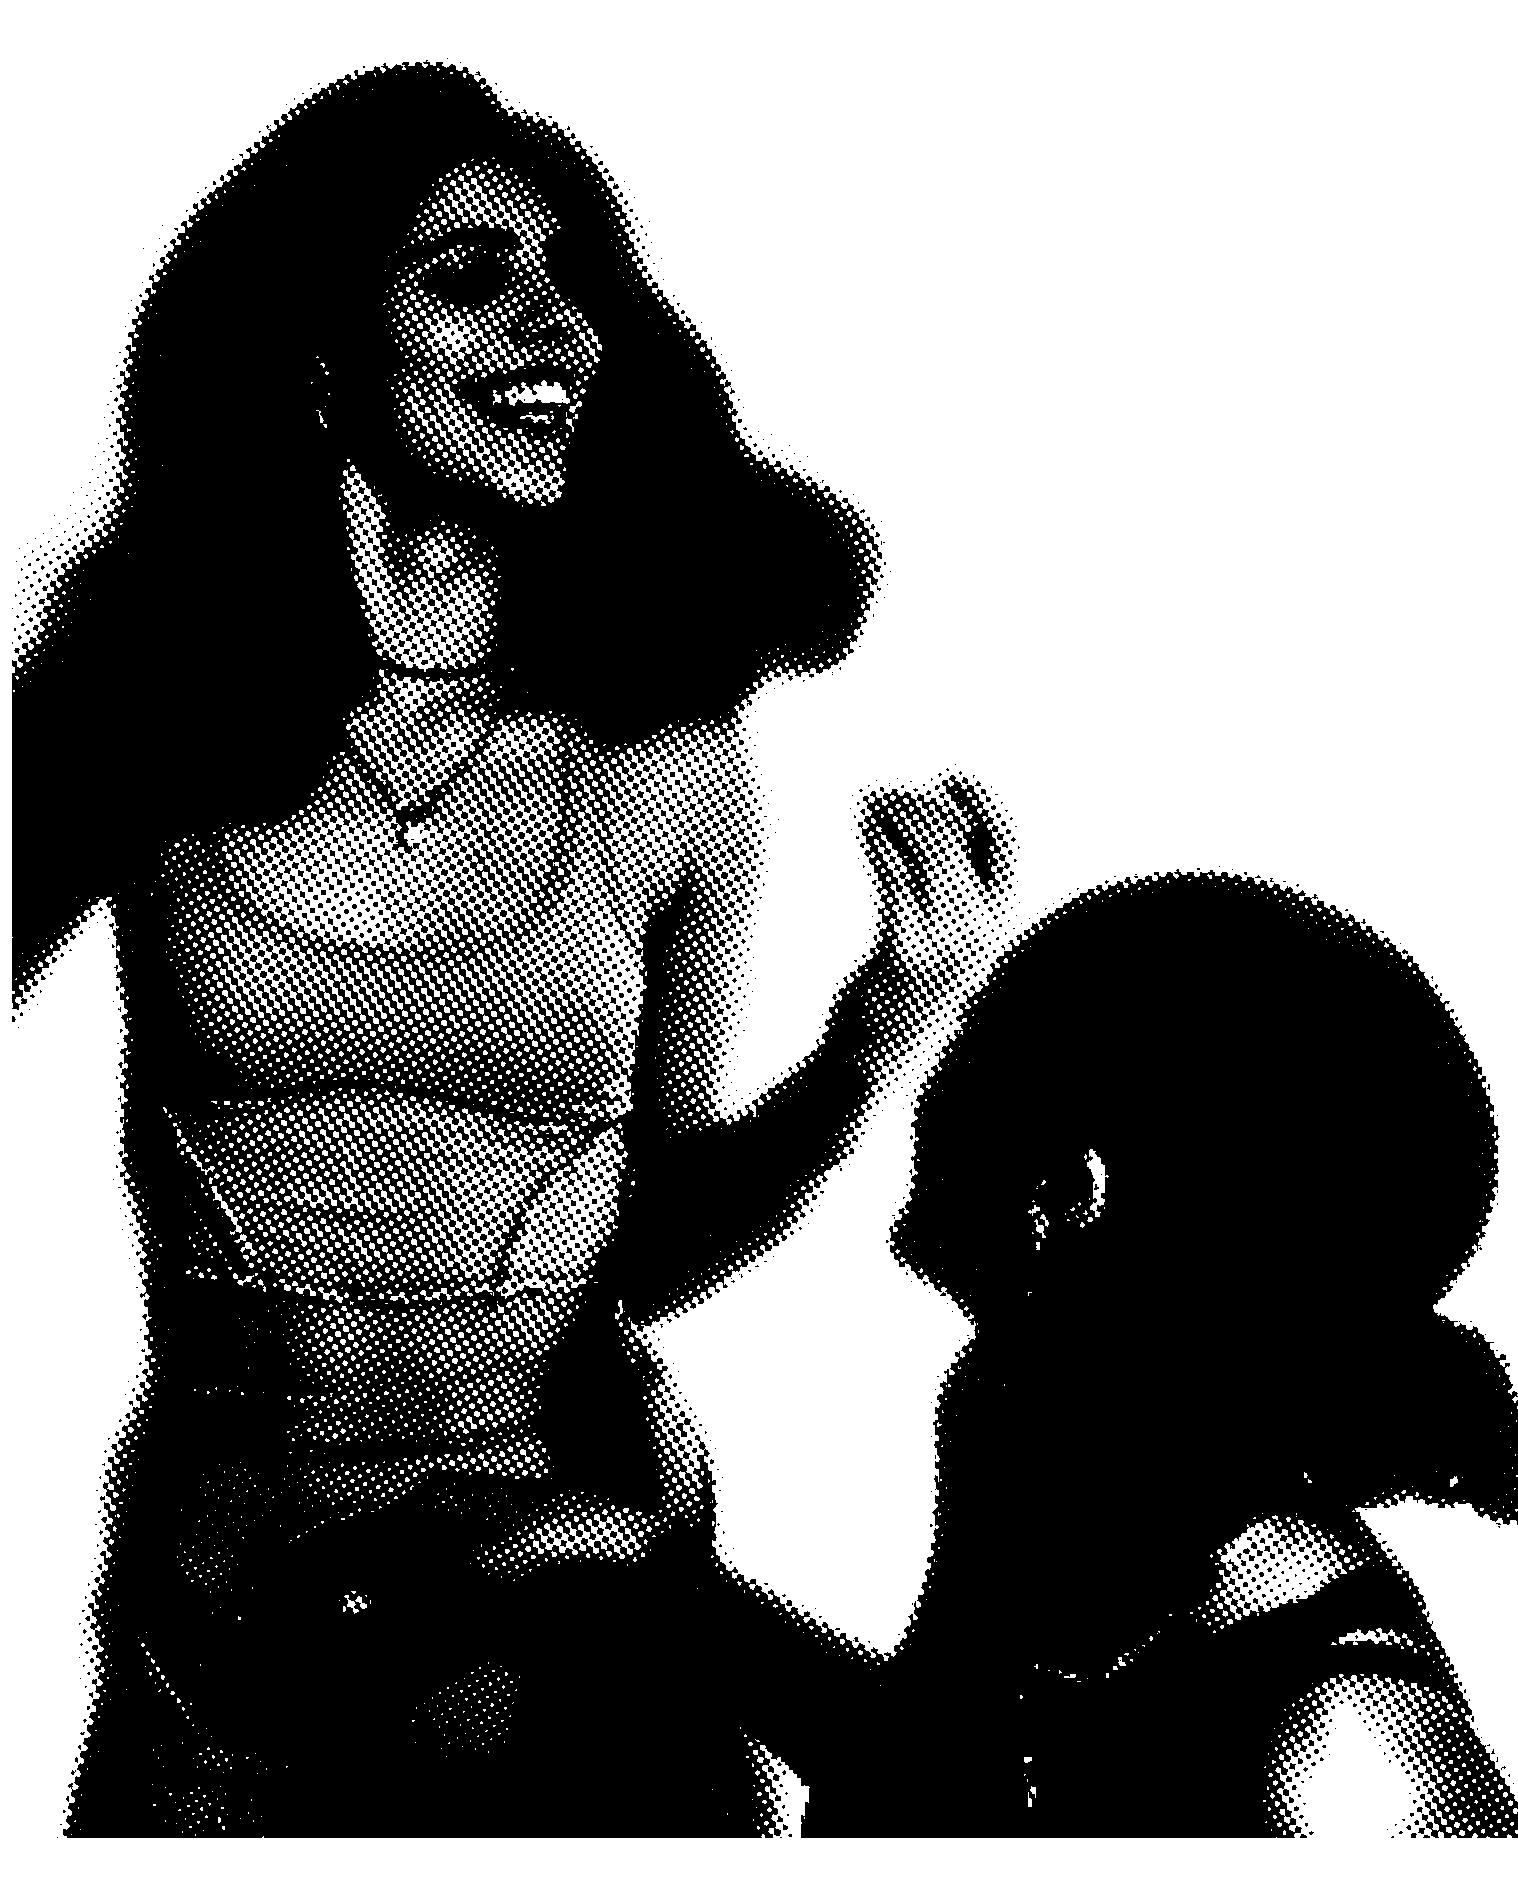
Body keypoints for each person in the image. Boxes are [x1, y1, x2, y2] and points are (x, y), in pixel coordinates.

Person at [12, 63, 1014, 1834]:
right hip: (221, 1653)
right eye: (473, 277)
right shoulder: (138, 710)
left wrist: (874, 1041)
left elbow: (648, 1247)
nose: (564, 327)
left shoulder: (665, 760)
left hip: (569, 1635)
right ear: (318, 352)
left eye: (574, 280)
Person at [715, 872, 1518, 1834]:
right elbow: (952, 1780)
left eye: (971, 1051)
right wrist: (683, 1605)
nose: (932, 1093)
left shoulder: (1348, 1734)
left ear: (1068, 1191)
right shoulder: (1016, 1425)